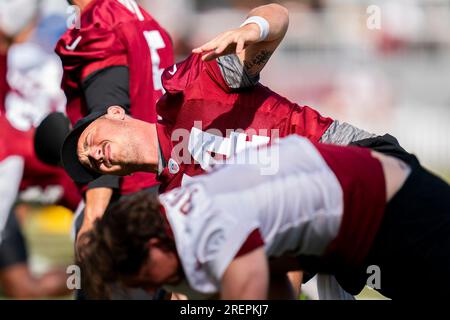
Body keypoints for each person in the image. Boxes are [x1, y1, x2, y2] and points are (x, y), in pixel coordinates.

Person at [80, 134, 450, 299]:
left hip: (391, 209)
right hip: (352, 227)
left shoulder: (211, 228)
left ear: (153, 244)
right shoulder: (176, 224)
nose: (148, 289)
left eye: (142, 278)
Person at [54, 0, 174, 245]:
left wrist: (93, 218)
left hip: (127, 196)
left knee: (102, 276)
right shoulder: (139, 15)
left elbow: (103, 119)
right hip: (165, 180)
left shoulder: (98, 21)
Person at [0, 2, 80, 298]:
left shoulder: (38, 59)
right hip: (27, 168)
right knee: (23, 289)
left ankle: (86, 276)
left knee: (112, 262)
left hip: (63, 170)